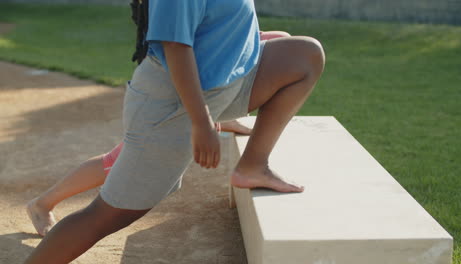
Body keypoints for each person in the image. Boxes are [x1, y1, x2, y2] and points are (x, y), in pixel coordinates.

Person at [24, 0, 324, 262]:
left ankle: (254, 165)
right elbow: (176, 47)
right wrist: (203, 121)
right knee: (107, 215)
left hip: (223, 88)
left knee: (303, 55)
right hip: (170, 107)